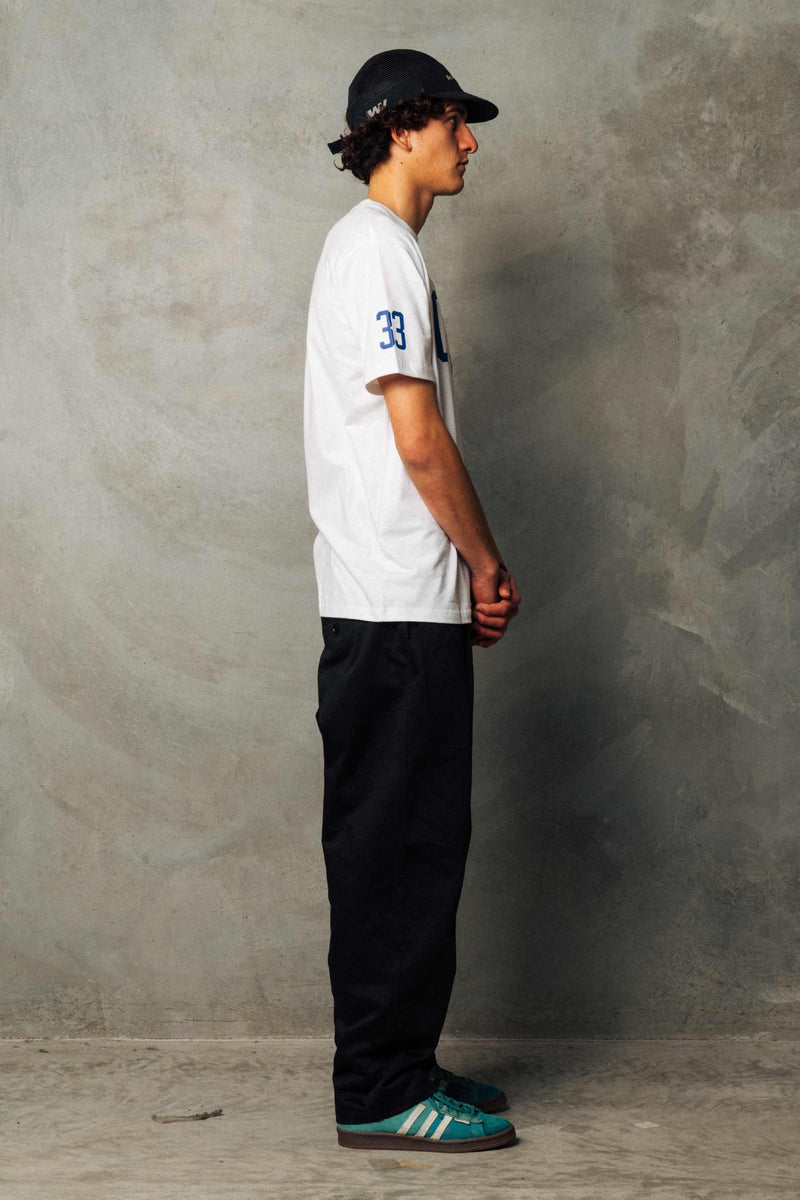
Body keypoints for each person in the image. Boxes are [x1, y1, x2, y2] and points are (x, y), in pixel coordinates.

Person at [303, 48, 522, 1152]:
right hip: (390, 606)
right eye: (452, 123)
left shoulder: (382, 252)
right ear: (399, 129)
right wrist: (483, 562)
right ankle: (380, 1093)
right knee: (394, 853)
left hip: (402, 607)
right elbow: (418, 438)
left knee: (419, 847)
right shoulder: (377, 251)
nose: (469, 141)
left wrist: (461, 576)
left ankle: (404, 1059)